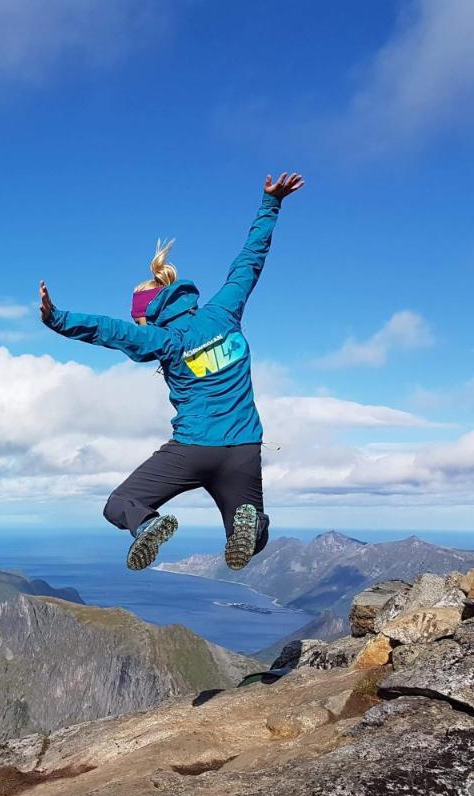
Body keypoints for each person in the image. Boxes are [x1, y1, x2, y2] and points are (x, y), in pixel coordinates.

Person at [40, 172, 305, 571]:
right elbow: (248, 262)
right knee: (246, 542)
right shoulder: (224, 312)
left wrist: (58, 319)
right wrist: (271, 204)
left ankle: (148, 524)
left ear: (149, 315)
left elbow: (109, 331)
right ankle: (251, 522)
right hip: (245, 449)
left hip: (193, 449)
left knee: (120, 505)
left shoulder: (167, 341)